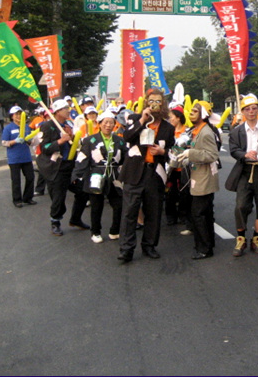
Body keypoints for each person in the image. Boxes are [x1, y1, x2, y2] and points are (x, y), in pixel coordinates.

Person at [117, 88, 175, 263]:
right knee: (129, 212)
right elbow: (127, 136)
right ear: (146, 102)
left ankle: (149, 245)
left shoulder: (168, 127)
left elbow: (173, 152)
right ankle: (126, 249)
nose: (155, 104)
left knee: (154, 212)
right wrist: (143, 118)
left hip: (155, 173)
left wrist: (163, 151)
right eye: (152, 101)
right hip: (134, 172)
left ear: (163, 104)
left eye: (158, 101)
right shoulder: (135, 119)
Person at [225, 93, 258, 257]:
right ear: (243, 112)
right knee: (241, 206)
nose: (251, 112)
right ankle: (241, 237)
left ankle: (256, 238)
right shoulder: (237, 131)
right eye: (247, 109)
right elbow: (233, 150)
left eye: (254, 108)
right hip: (244, 171)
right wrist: (245, 154)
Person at [36, 98, 90, 237]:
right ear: (58, 111)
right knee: (59, 197)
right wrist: (61, 140)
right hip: (56, 168)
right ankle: (55, 222)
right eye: (66, 108)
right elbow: (44, 148)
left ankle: (76, 219)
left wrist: (71, 136)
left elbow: (72, 145)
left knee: (83, 191)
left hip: (70, 166)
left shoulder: (67, 125)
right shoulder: (47, 126)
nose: (69, 110)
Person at [72, 110, 127, 243]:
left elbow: (125, 159)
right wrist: (76, 174)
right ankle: (95, 231)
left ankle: (114, 230)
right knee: (97, 206)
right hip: (96, 175)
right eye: (106, 122)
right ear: (99, 123)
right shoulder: (90, 140)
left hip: (114, 175)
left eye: (111, 122)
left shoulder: (119, 140)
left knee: (118, 204)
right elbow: (82, 157)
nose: (108, 125)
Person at [176, 101, 220, 260]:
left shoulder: (206, 132)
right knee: (204, 213)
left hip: (204, 178)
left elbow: (212, 155)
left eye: (195, 111)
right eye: (191, 111)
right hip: (198, 176)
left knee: (199, 214)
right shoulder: (196, 130)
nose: (190, 114)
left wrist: (190, 154)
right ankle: (207, 245)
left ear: (203, 115)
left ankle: (204, 248)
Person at [1, 106, 37, 208]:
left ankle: (28, 198)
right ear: (12, 116)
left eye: (20, 114)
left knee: (30, 177)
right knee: (16, 180)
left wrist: (29, 140)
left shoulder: (26, 127)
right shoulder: (8, 128)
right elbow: (4, 143)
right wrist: (14, 141)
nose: (18, 116)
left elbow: (31, 141)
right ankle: (17, 199)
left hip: (26, 157)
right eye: (16, 114)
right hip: (14, 158)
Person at [165, 104, 193, 234]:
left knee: (184, 193)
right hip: (170, 167)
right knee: (170, 192)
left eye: (172, 117)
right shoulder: (168, 131)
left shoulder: (188, 132)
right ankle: (170, 216)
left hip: (184, 167)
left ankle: (183, 215)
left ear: (179, 118)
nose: (170, 119)